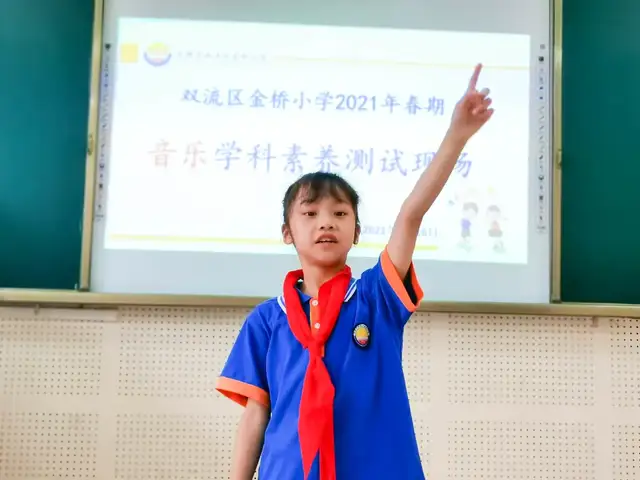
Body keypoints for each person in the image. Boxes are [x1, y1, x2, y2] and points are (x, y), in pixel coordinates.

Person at [216, 63, 494, 480]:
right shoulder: (267, 320)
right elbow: (257, 414)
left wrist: (456, 136)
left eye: (340, 213)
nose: (326, 223)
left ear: (357, 232)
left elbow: (411, 215)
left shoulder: (375, 299)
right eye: (310, 213)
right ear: (287, 233)